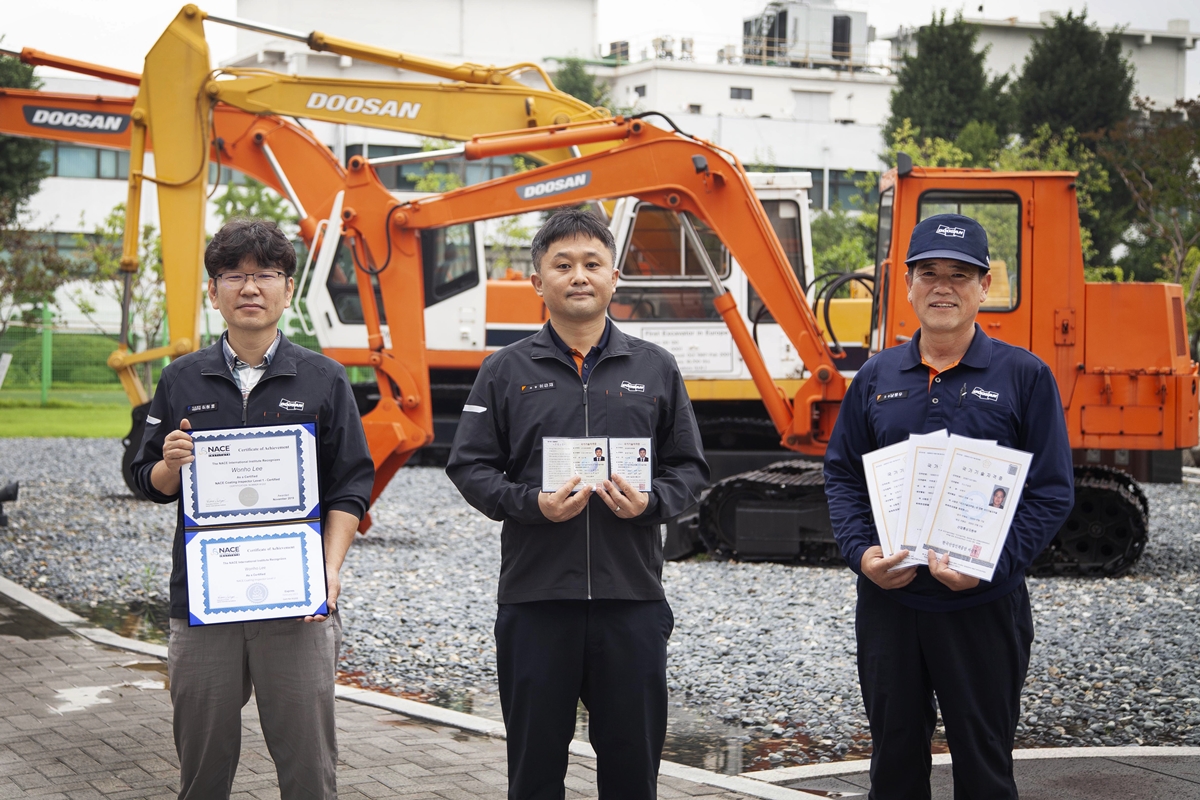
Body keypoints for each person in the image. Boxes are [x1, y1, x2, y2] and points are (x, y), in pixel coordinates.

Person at [446, 208, 709, 800]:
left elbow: (690, 468)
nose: (579, 276)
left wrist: (649, 503)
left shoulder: (655, 368)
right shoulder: (504, 370)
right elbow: (468, 465)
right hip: (536, 602)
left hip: (632, 602)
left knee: (632, 773)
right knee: (535, 774)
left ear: (615, 278)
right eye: (561, 265)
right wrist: (532, 504)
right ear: (537, 282)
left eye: (592, 263)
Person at [823, 213, 1074, 800]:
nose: (943, 286)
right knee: (893, 763)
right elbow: (842, 475)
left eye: (960, 275)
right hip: (891, 605)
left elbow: (1051, 491)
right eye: (929, 272)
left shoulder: (1024, 376)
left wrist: (993, 565)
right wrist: (862, 555)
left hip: (982, 607)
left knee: (985, 766)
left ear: (986, 287)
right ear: (907, 284)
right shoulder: (876, 377)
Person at [132, 218, 375, 800]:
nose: (249, 287)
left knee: (309, 771)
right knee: (203, 767)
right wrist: (169, 464)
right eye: (233, 276)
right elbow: (148, 480)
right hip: (205, 601)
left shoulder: (324, 379)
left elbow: (350, 485)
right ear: (212, 292)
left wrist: (329, 568)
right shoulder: (180, 378)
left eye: (265, 274)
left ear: (287, 289)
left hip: (297, 602)